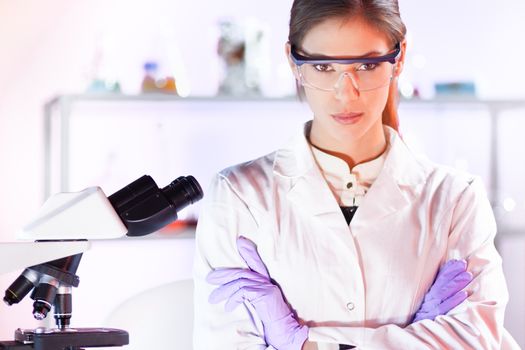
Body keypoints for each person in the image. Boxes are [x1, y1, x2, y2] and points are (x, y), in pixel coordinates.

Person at [193, 0, 518, 349]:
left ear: (399, 57)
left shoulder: (455, 198)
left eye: (366, 64)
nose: (346, 92)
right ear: (293, 62)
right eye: (322, 66)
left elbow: (476, 341)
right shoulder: (239, 195)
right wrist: (414, 337)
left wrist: (300, 343)